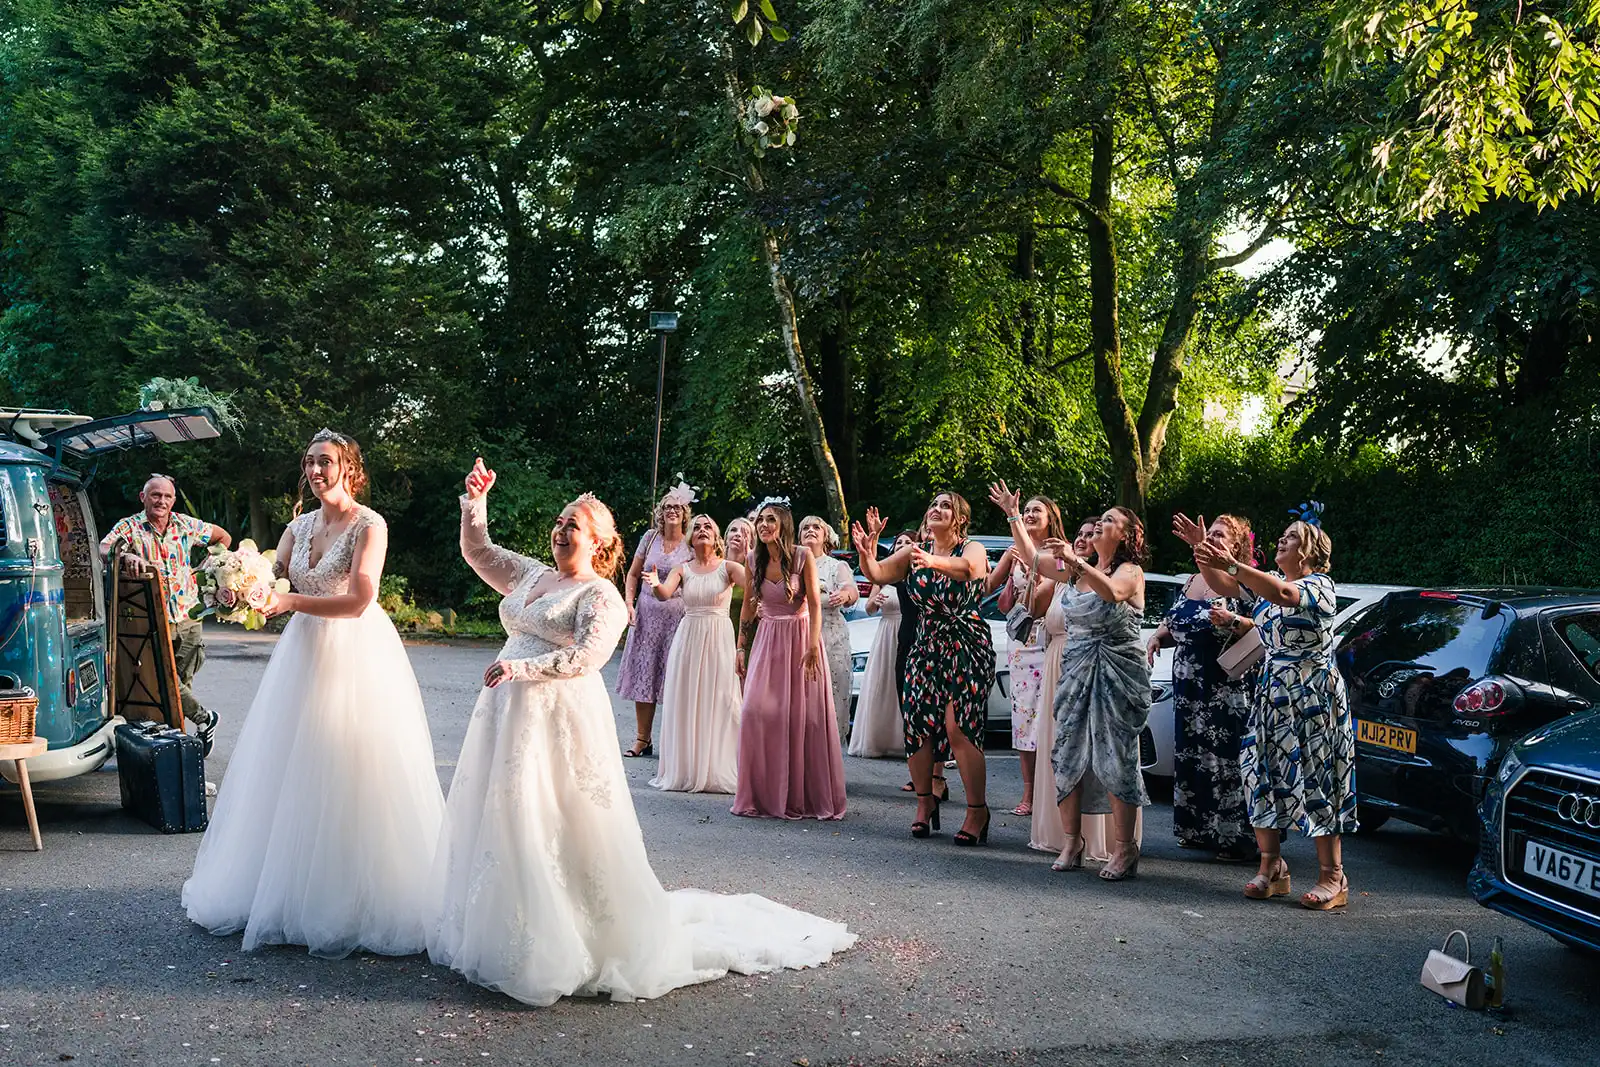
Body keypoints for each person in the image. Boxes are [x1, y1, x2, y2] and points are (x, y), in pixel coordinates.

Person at [427, 462, 855, 1006]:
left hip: (556, 715)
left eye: (574, 525)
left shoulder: (602, 596)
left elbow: (588, 656)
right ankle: (496, 924)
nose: (561, 530)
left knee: (548, 817)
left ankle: (561, 936)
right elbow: (479, 552)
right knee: (500, 813)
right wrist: (475, 503)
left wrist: (521, 669)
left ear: (601, 544)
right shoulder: (532, 575)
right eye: (560, 522)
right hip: (504, 715)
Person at [182, 430, 445, 957]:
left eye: (326, 461)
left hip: (355, 653)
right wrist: (238, 584)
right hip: (302, 652)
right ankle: (282, 890)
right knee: (291, 765)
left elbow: (358, 601)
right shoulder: (298, 525)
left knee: (350, 765)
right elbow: (272, 573)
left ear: (349, 467)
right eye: (309, 462)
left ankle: (353, 897)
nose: (316, 470)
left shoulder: (369, 525)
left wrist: (287, 602)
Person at [1192, 510, 1356, 910]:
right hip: (1273, 693)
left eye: (1290, 537)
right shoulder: (1274, 590)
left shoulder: (1320, 586)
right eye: (1282, 536)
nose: (1281, 541)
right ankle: (1272, 868)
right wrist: (1203, 553)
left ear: (1310, 550)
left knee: (1318, 777)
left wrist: (1230, 561)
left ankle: (1332, 877)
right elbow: (1226, 584)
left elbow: (1282, 596)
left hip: (1313, 697)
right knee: (1258, 771)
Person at [1014, 494, 1150, 881]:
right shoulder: (1077, 571)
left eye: (1109, 521)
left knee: (1114, 756)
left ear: (1126, 535)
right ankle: (1072, 840)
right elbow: (1033, 558)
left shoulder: (1130, 572)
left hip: (1116, 672)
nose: (1099, 526)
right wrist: (1013, 515)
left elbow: (1113, 593)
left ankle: (1125, 848)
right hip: (1075, 670)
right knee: (1067, 751)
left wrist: (1075, 562)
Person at [853, 493, 994, 846]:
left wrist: (931, 560)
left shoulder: (970, 548)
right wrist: (867, 552)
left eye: (946, 506)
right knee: (917, 725)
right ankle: (924, 803)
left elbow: (971, 571)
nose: (937, 509)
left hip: (965, 642)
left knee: (958, 727)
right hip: (925, 643)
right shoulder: (913, 552)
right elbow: (878, 574)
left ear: (960, 518)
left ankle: (977, 810)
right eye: (933, 505)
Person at [1152, 513, 1260, 862]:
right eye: (1209, 534)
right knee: (1192, 756)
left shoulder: (1240, 580)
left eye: (1219, 535)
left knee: (1225, 760)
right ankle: (1197, 830)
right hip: (1188, 685)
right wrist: (1157, 636)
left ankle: (1235, 837)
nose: (1211, 538)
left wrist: (1233, 621)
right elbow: (1175, 622)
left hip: (1224, 686)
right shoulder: (1192, 581)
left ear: (1236, 547)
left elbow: (1258, 628)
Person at [731, 499, 848, 820]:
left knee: (802, 719)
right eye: (761, 520)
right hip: (767, 641)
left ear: (783, 524)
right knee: (755, 711)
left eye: (771, 520)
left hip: (800, 643)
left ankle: (801, 795)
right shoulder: (753, 558)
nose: (764, 525)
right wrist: (741, 647)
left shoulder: (802, 556)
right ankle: (761, 794)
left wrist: (812, 647)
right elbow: (748, 606)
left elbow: (815, 603)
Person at [99, 473, 232, 754]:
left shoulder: (185, 524)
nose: (161, 501)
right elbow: (105, 548)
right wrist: (127, 556)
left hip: (188, 615)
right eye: (155, 495)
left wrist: (208, 568)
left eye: (167, 496)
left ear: (173, 500)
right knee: (163, 680)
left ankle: (177, 749)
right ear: (143, 497)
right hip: (153, 618)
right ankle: (204, 718)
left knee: (182, 682)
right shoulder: (131, 526)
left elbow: (223, 537)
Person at [644, 514, 746, 794]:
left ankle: (716, 766)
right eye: (697, 527)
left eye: (708, 527)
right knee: (689, 698)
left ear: (716, 538)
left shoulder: (729, 568)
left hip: (718, 637)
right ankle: (686, 768)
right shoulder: (682, 569)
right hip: (688, 637)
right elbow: (664, 594)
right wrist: (654, 582)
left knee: (721, 699)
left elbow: (756, 589)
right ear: (691, 537)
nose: (702, 530)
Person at [983, 493, 1065, 817]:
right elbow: (999, 599)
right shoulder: (1014, 551)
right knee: (1024, 719)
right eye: (1027, 510)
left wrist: (1033, 581)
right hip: (1020, 643)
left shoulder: (1060, 553)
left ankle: (1053, 788)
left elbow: (1047, 599)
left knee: (1050, 716)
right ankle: (1029, 793)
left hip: (1049, 641)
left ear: (1050, 518)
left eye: (1036, 511)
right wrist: (1009, 584)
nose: (1030, 514)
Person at [617, 480, 696, 757]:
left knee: (676, 679)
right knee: (645, 675)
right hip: (647, 617)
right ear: (660, 512)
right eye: (667, 507)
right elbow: (633, 574)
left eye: (677, 507)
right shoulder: (650, 538)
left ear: (685, 513)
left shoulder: (691, 544)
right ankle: (642, 738)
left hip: (678, 619)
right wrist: (629, 603)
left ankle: (676, 743)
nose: (672, 511)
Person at [848, 532, 915, 759]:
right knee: (882, 684)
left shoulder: (916, 575)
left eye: (908, 543)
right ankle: (880, 738)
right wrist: (874, 602)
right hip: (886, 634)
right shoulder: (885, 575)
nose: (902, 546)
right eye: (899, 543)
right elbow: (868, 608)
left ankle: (906, 740)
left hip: (908, 631)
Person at [799, 515, 859, 743]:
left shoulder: (836, 566)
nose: (810, 530)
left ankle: (830, 762)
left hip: (831, 637)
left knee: (831, 699)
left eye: (816, 527)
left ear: (826, 536)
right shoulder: (794, 565)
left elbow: (851, 591)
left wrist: (844, 595)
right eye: (805, 527)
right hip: (800, 636)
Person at [725, 517, 756, 634]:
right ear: (726, 537)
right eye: (733, 530)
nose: (738, 534)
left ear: (752, 542)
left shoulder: (756, 569)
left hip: (744, 634)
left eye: (744, 533)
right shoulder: (714, 563)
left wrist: (750, 562)